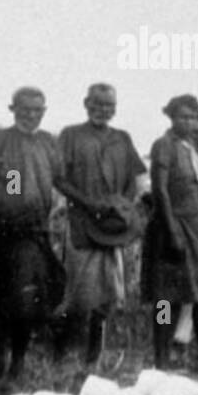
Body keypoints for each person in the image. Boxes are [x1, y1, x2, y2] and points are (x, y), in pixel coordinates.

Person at [0, 87, 63, 389]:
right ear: (13, 109)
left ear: (44, 112)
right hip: (2, 236)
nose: (31, 115)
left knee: (27, 303)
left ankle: (18, 366)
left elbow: (58, 180)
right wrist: (0, 221)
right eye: (25, 110)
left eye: (38, 110)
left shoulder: (48, 142)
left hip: (34, 235)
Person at [54, 83, 147, 367]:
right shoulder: (71, 135)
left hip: (113, 226)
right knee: (79, 293)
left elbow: (135, 178)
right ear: (86, 103)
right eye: (97, 104)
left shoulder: (122, 138)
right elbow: (58, 178)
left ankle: (93, 357)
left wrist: (123, 206)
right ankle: (62, 353)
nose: (103, 111)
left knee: (109, 294)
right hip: (82, 223)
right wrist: (87, 203)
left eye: (109, 106)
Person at [142, 95, 198, 370]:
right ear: (171, 118)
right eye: (181, 117)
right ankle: (161, 358)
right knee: (165, 296)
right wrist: (172, 230)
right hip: (171, 226)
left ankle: (196, 353)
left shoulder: (191, 149)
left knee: (195, 292)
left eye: (192, 117)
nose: (187, 122)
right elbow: (160, 189)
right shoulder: (165, 145)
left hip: (195, 227)